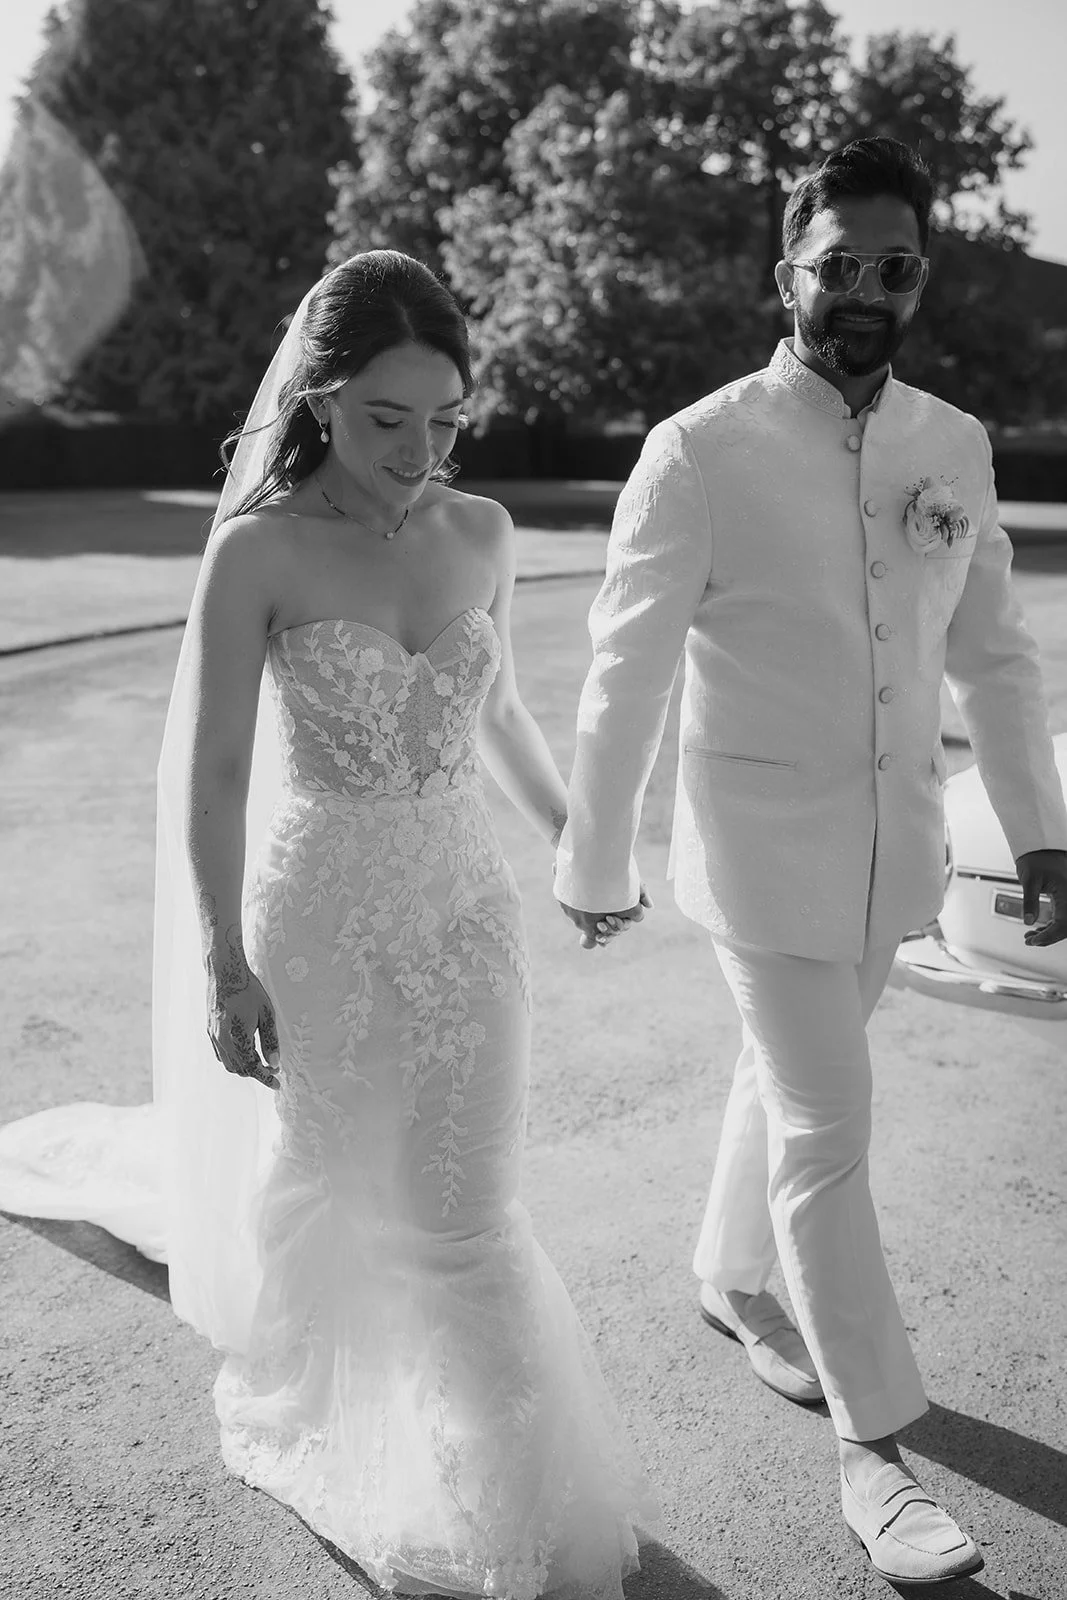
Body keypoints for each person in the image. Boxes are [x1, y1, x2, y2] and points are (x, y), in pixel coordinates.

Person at [0, 250, 659, 1597]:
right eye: (384, 420)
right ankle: (341, 1417)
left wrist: (581, 849)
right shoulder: (259, 550)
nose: (418, 453)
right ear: (319, 396)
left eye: (444, 421)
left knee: (467, 1206)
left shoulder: (478, 533)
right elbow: (216, 774)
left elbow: (508, 716)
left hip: (467, 913)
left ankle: (510, 1493)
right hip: (317, 921)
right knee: (345, 1189)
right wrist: (220, 958)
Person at [553, 138, 1067, 1589]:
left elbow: (997, 663)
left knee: (782, 1085)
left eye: (892, 266)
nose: (864, 289)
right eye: (836, 261)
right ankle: (874, 1448)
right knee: (828, 1128)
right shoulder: (698, 450)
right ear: (786, 271)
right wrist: (595, 856)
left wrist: (1037, 831)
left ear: (920, 282)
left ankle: (724, 1278)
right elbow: (623, 676)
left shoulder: (951, 448)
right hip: (761, 859)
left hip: (894, 858)